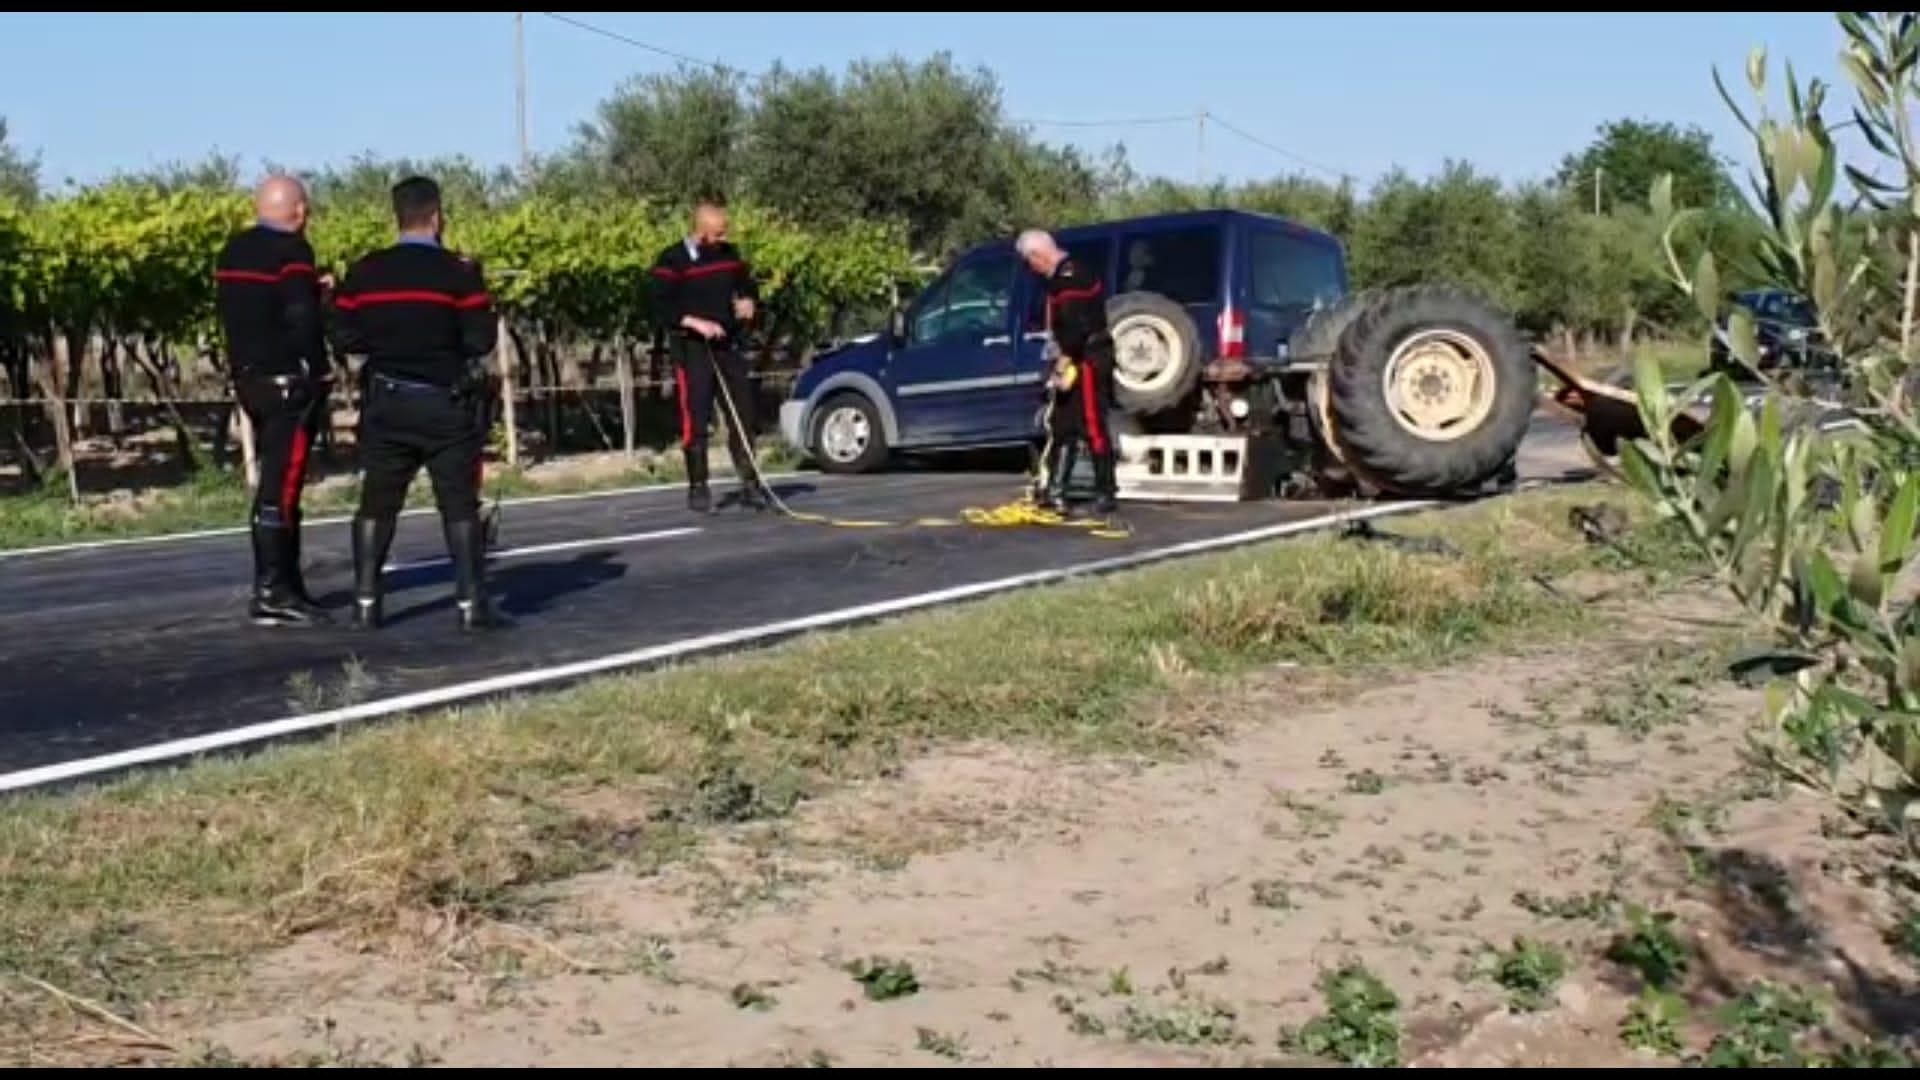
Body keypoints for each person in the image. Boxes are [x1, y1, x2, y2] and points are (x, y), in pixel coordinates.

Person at [331, 175, 503, 631]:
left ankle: (366, 603)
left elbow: (343, 333)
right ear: (437, 216)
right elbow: (481, 340)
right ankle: (472, 607)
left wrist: (385, 343)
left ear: (398, 217)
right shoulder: (460, 272)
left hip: (387, 401)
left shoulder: (366, 270)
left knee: (377, 502)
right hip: (445, 405)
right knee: (459, 504)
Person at [214, 174, 332, 627]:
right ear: (299, 211)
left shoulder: (234, 251)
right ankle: (272, 591)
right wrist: (319, 365)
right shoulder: (293, 252)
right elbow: (299, 317)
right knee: (282, 485)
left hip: (250, 379)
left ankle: (288, 583)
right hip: (287, 383)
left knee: (277, 480)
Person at [650, 200, 764, 514]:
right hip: (692, 349)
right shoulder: (672, 260)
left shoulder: (731, 256)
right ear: (701, 233)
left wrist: (749, 303)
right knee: (695, 416)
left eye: (725, 231)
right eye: (718, 233)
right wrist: (693, 322)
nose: (724, 238)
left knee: (743, 413)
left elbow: (747, 286)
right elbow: (660, 306)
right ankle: (698, 485)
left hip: (728, 344)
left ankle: (750, 483)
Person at [1016, 228, 1118, 515]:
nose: (1031, 269)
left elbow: (1077, 327)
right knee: (1062, 423)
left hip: (1087, 358)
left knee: (1092, 423)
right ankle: (1057, 489)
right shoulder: (1057, 280)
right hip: (1070, 356)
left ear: (1038, 255)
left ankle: (1105, 492)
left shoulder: (1073, 277)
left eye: (1029, 262)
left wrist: (1062, 364)